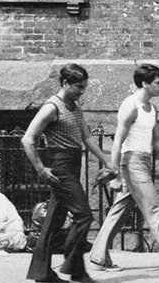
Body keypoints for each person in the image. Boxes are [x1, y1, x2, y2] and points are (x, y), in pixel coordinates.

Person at [88, 64, 159, 273]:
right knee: (153, 208)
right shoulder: (130, 106)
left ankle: (98, 257)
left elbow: (156, 139)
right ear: (145, 83)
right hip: (131, 162)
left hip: (143, 161)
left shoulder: (151, 108)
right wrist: (116, 175)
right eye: (157, 83)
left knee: (120, 211)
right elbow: (118, 141)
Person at [22, 64, 115, 283]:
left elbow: (87, 138)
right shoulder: (51, 107)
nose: (82, 91)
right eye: (78, 87)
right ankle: (72, 265)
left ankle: (43, 274)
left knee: (53, 222)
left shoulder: (74, 106)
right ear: (65, 83)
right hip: (60, 166)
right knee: (84, 216)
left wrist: (106, 161)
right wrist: (40, 169)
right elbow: (27, 139)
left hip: (73, 163)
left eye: (84, 87)